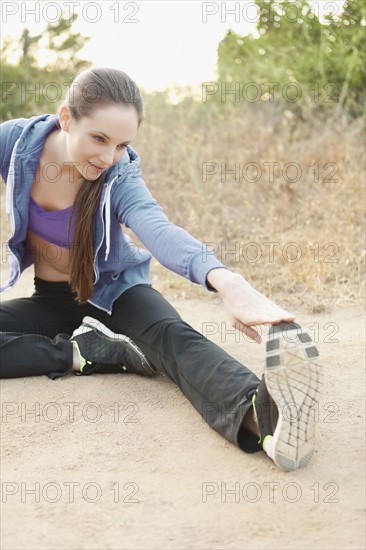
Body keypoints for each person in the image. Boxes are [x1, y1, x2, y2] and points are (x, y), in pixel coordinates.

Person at [0, 67, 322, 472]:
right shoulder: (15, 144)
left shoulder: (120, 174)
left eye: (121, 144)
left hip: (116, 296)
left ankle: (267, 417)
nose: (107, 157)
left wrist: (226, 281)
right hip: (51, 300)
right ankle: (81, 353)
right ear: (67, 118)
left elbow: (159, 229)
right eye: (99, 138)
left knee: (173, 339)